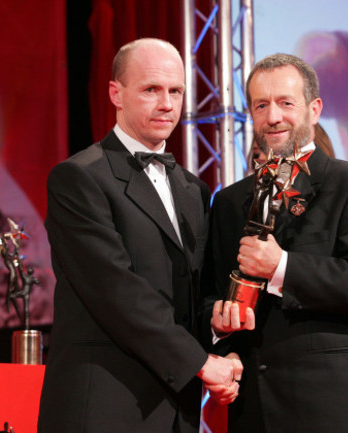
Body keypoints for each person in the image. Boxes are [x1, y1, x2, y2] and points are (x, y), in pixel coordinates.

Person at [37, 38, 241, 433]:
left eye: (176, 91)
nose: (166, 104)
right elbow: (115, 290)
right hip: (103, 407)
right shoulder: (80, 177)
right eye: (151, 89)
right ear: (116, 93)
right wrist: (201, 363)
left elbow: (193, 290)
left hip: (175, 409)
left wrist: (218, 327)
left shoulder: (193, 189)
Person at [203, 53, 348, 432]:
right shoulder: (228, 202)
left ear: (314, 109)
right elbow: (209, 294)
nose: (273, 116)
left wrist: (281, 267)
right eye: (261, 105)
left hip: (333, 412)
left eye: (286, 103)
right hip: (255, 411)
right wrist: (218, 324)